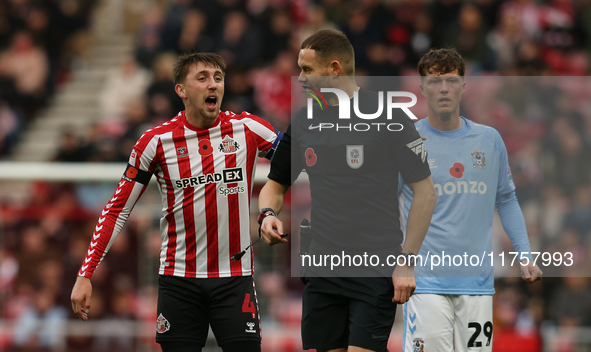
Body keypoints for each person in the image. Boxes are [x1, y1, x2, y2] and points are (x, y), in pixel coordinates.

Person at [70, 52, 280, 352]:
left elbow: (298, 160)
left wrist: (270, 209)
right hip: (179, 281)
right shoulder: (155, 142)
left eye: (218, 78)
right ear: (181, 90)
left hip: (234, 280)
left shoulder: (248, 128)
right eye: (203, 78)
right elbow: (117, 209)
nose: (213, 85)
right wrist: (85, 273)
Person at [258, 29, 437, 352]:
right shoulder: (303, 122)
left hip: (375, 267)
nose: (299, 78)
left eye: (308, 69)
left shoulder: (391, 116)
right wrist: (268, 214)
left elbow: (425, 192)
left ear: (335, 69)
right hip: (323, 267)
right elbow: (274, 185)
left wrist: (407, 261)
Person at [398, 48, 543, 352]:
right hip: (425, 284)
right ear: (422, 87)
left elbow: (506, 198)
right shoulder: (406, 141)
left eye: (451, 81)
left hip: (476, 284)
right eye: (435, 82)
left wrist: (524, 253)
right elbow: (383, 205)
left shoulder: (488, 140)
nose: (444, 89)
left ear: (464, 85)